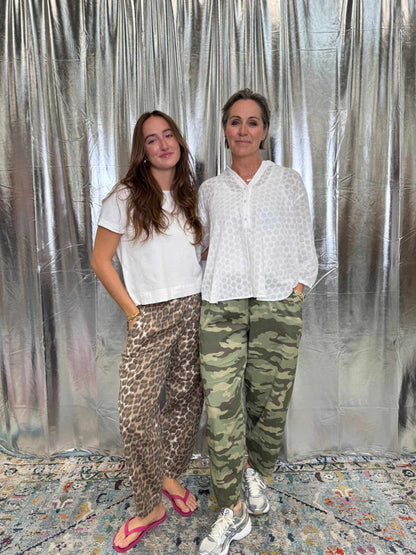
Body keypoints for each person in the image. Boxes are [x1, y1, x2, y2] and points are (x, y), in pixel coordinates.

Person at [197, 89, 318, 555]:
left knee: (270, 402)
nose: (243, 130)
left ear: (265, 131)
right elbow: (200, 246)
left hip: (277, 303)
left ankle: (255, 472)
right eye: (235, 121)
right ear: (225, 130)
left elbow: (304, 238)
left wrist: (298, 287)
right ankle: (232, 510)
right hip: (221, 305)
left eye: (252, 122)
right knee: (221, 406)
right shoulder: (210, 190)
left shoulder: (287, 181)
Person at [91, 111, 204, 552]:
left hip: (194, 307)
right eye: (152, 139)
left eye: (168, 135)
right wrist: (133, 313)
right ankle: (148, 506)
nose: (163, 144)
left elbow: (198, 251)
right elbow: (101, 260)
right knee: (136, 416)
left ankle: (169, 475)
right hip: (149, 315)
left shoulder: (191, 194)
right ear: (142, 150)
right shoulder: (123, 196)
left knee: (184, 401)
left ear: (179, 141)